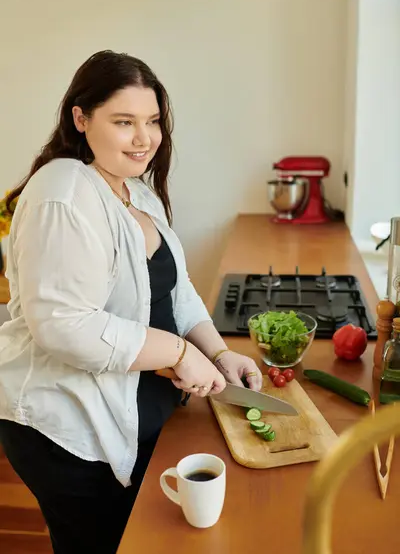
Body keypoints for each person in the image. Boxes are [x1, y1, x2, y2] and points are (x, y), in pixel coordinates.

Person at [0, 50, 263, 554]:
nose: (145, 139)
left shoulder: (133, 191)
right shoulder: (63, 190)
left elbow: (175, 288)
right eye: (124, 122)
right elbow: (64, 326)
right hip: (70, 434)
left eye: (153, 122)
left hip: (136, 419)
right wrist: (181, 355)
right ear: (80, 119)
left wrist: (217, 351)